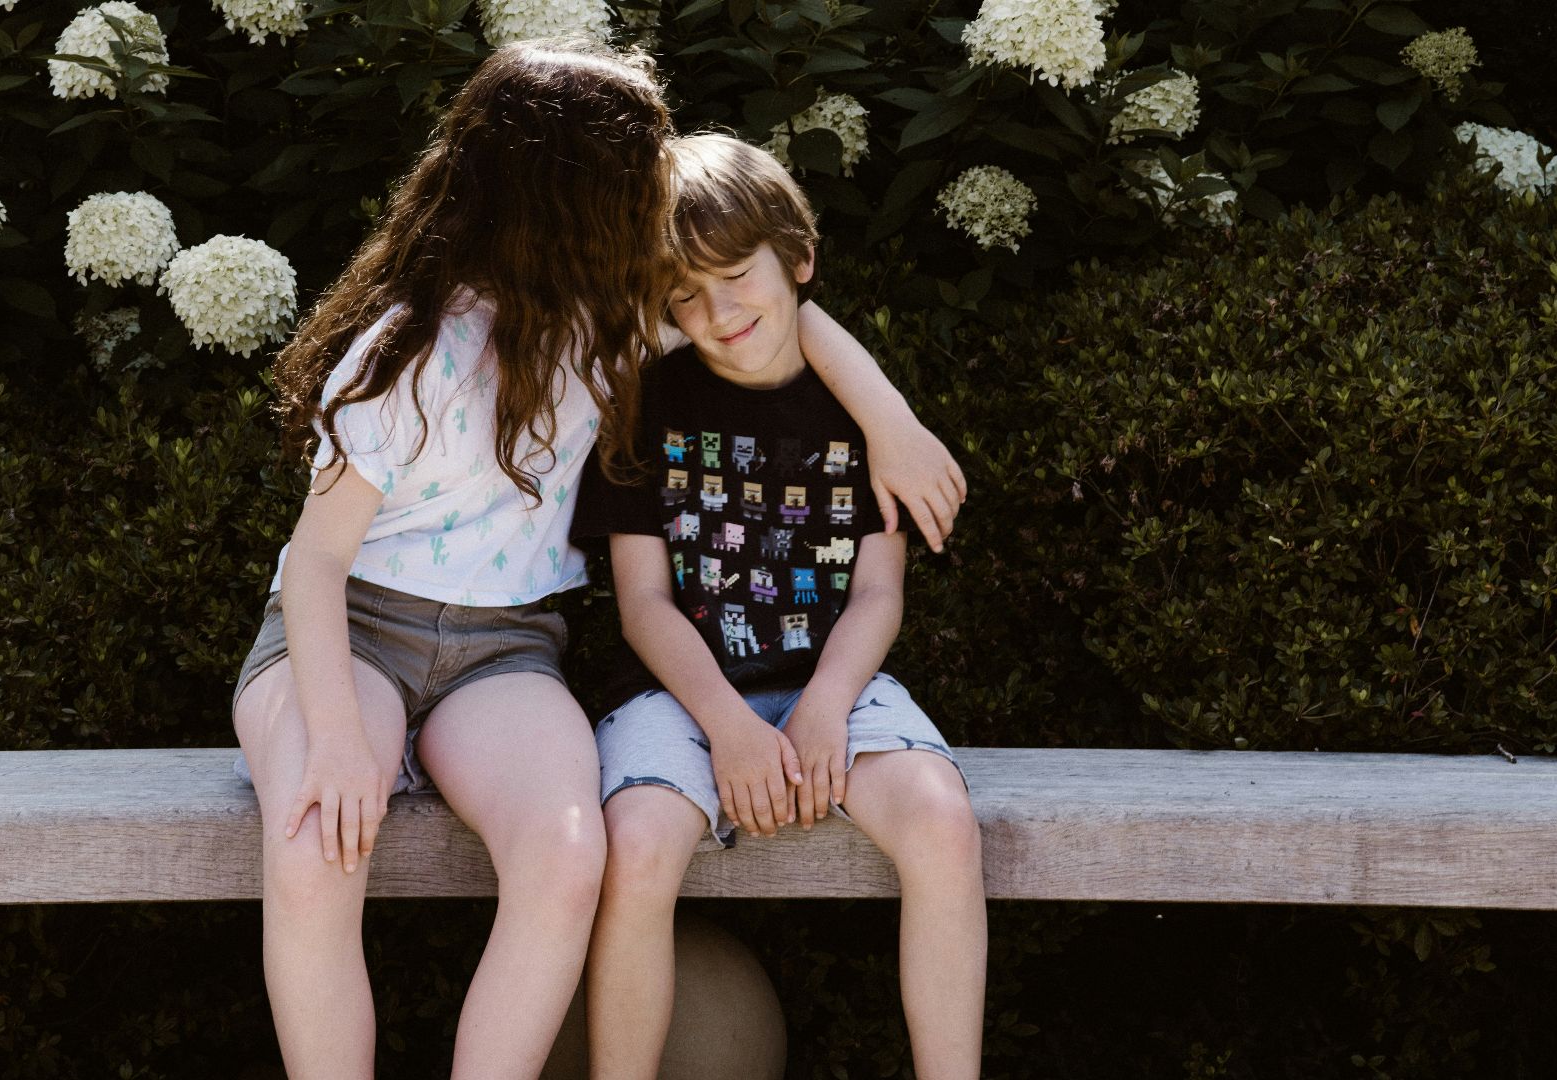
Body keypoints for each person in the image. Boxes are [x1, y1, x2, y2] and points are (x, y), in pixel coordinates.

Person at [230, 42, 966, 1080]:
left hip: (504, 651)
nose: (659, 190)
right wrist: (343, 741)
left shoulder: (611, 329)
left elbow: (782, 307)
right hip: (350, 629)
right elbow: (313, 568)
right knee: (318, 839)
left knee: (570, 853)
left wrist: (886, 420)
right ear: (566, 203)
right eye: (639, 175)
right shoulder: (411, 349)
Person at [572, 133, 989, 1080]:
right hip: (679, 696)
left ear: (798, 259)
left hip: (834, 680)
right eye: (683, 295)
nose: (717, 313)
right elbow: (643, 606)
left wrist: (826, 707)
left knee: (942, 821)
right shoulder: (646, 406)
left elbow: (879, 592)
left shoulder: (862, 415)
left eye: (735, 275)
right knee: (634, 845)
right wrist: (728, 726)